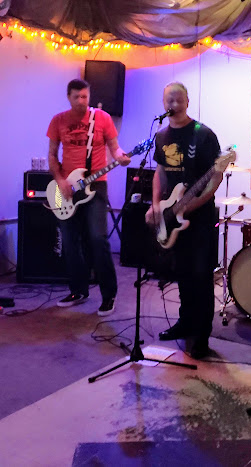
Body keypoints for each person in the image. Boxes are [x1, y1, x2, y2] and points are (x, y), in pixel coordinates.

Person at [145, 82, 222, 360]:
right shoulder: (161, 135)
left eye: (178, 100)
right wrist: (156, 205)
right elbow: (160, 172)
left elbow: (215, 177)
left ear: (187, 102)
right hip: (172, 214)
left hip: (199, 217)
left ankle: (201, 336)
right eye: (169, 100)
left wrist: (193, 205)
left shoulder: (203, 135)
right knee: (182, 273)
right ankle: (185, 322)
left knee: (201, 275)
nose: (173, 105)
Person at [47, 79, 130, 316]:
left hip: (96, 186)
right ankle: (78, 290)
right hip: (67, 188)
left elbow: (114, 147)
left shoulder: (101, 118)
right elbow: (52, 154)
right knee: (70, 241)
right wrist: (60, 180)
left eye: (85, 96)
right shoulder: (58, 120)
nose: (82, 101)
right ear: (68, 97)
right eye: (77, 97)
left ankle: (109, 294)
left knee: (97, 238)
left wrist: (120, 156)